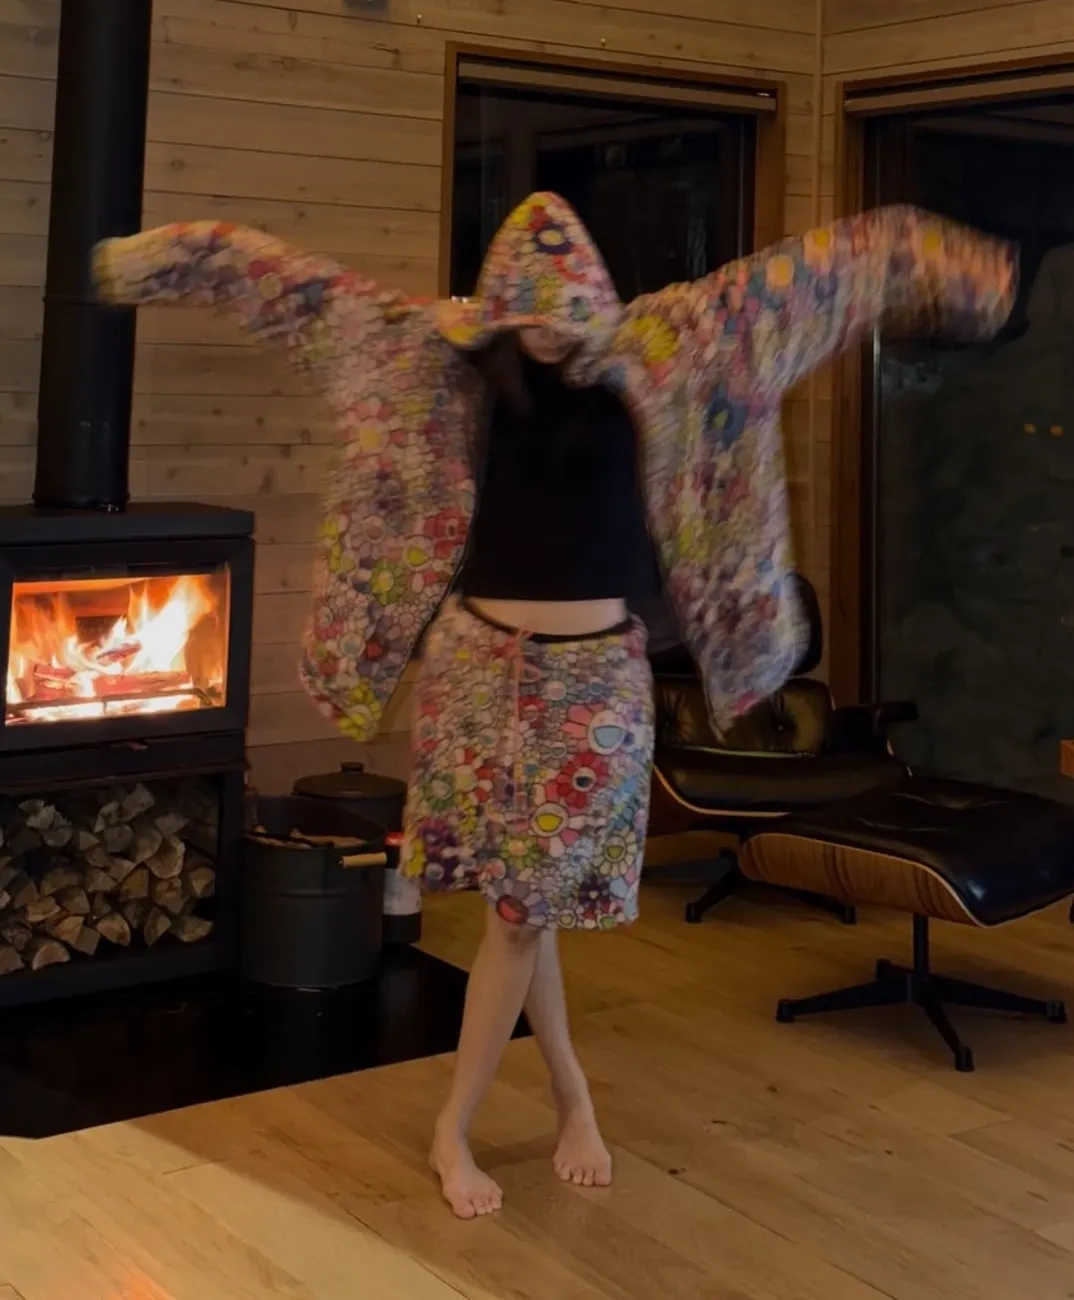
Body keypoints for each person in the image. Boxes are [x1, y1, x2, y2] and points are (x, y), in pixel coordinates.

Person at [94, 195, 1017, 1218]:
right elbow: (291, 288)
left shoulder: (671, 346)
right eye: (522, 313)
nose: (541, 332)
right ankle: (560, 1103)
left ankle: (463, 1123)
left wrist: (960, 268)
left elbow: (825, 270)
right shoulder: (443, 358)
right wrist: (162, 258)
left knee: (523, 912)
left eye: (560, 312)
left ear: (592, 299)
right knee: (519, 909)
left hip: (593, 682)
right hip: (474, 673)